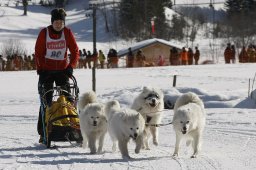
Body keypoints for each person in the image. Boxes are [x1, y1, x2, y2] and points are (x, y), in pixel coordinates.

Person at [34, 8, 79, 142]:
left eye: (61, 22)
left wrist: (71, 67)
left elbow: (75, 52)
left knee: (67, 100)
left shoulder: (67, 32)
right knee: (46, 101)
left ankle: (72, 128)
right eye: (56, 22)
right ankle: (44, 132)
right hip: (46, 71)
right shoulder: (44, 33)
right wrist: (40, 69)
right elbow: (38, 53)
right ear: (52, 22)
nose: (58, 24)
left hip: (62, 71)